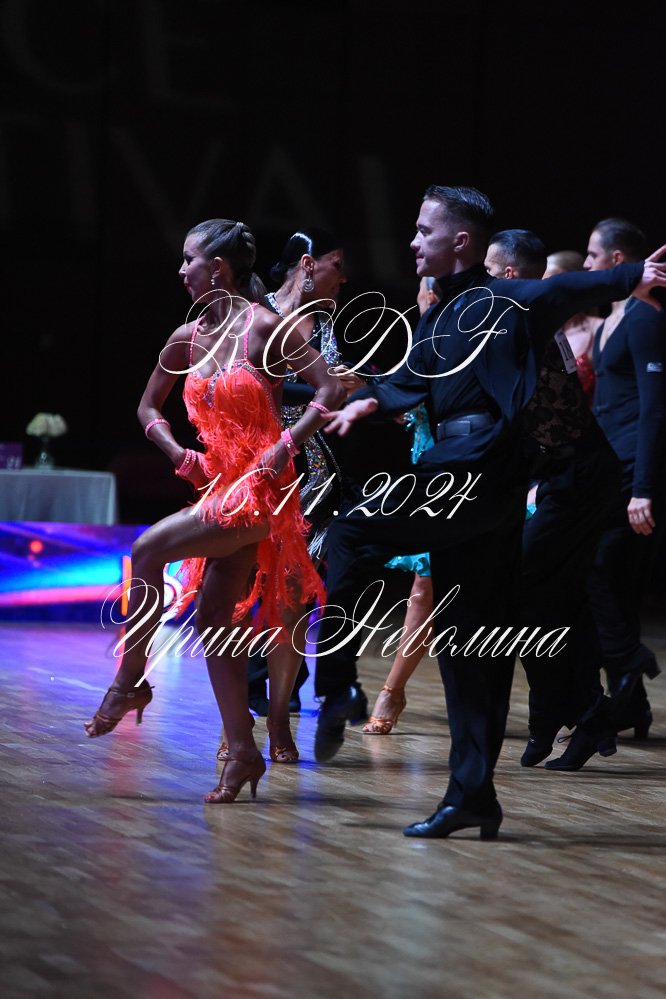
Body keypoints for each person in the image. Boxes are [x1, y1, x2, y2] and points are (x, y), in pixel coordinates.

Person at [311, 185, 666, 840]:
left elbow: (561, 289)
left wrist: (631, 274)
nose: (412, 241)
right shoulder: (442, 314)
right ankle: (472, 795)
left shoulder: (504, 298)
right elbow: (410, 378)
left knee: (353, 530)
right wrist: (369, 401)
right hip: (468, 479)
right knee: (468, 642)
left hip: (476, 473)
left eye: (424, 231)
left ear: (461, 242)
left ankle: (337, 686)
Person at [84, 218, 345, 803]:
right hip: (219, 485)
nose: (181, 270)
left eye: (189, 259)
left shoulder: (265, 328)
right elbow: (148, 407)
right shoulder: (186, 337)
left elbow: (328, 388)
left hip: (262, 491)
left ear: (218, 268)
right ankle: (243, 751)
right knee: (213, 621)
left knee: (146, 548)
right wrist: (179, 454)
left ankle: (129, 680)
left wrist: (287, 443)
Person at [217, 227, 366, 762]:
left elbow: (339, 387)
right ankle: (238, 721)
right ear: (307, 264)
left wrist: (354, 387)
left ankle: (280, 712)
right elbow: (251, 385)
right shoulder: (257, 315)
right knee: (242, 593)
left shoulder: (325, 324)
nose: (343, 278)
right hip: (258, 468)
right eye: (335, 265)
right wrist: (332, 386)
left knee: (296, 597)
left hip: (317, 478)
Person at [484, 229, 622, 770]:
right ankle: (566, 716)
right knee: (553, 599)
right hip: (562, 472)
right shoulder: (510, 318)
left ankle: (580, 712)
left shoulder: (523, 319)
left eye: (487, 272)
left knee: (526, 590)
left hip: (580, 473)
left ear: (509, 275)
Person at [585, 217, 666, 739]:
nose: (586, 264)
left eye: (592, 255)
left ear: (617, 260)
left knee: (598, 570)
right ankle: (631, 701)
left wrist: (643, 489)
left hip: (631, 472)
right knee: (613, 579)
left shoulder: (645, 316)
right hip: (607, 468)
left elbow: (655, 407)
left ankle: (630, 662)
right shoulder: (614, 314)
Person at [363, 278, 440, 735]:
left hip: (471, 473)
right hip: (429, 477)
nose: (422, 296)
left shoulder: (465, 336)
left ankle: (567, 699)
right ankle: (393, 689)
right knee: (423, 587)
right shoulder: (422, 339)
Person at [543, 249, 599, 403]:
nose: (545, 292)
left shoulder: (600, 329)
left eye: (554, 284)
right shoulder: (540, 334)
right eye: (542, 285)